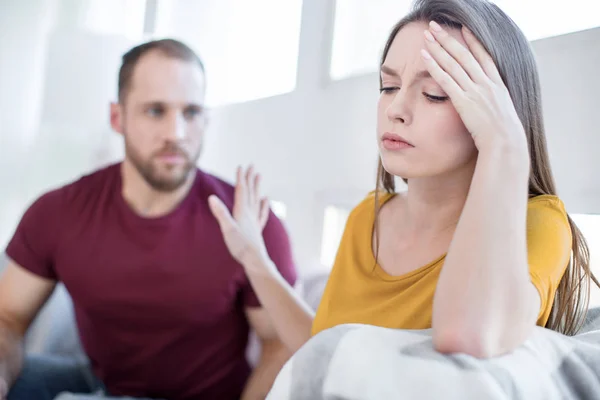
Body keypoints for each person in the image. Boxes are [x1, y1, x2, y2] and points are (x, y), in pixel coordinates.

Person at [209, 0, 599, 361]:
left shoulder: (540, 225)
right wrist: (254, 258)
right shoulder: (368, 217)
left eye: (434, 94)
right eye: (389, 86)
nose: (395, 109)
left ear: (498, 108)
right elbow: (327, 351)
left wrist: (506, 146)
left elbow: (467, 337)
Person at [1, 38, 297, 400]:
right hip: (100, 385)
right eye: (156, 111)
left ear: (206, 119)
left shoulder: (253, 223)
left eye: (190, 112)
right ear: (117, 117)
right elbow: (8, 319)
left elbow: (280, 345)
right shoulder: (57, 212)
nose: (176, 133)